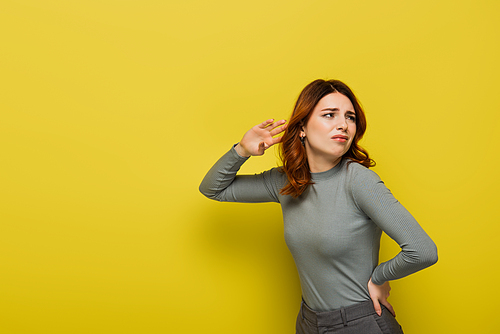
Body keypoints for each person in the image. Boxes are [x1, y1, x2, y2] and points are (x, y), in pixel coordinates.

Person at [199, 79, 438, 334]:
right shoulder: (286, 181)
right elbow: (214, 189)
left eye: (350, 117)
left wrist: (379, 278)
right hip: (308, 322)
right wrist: (242, 150)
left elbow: (423, 250)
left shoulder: (357, 179)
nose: (343, 125)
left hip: (361, 323)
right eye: (329, 115)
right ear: (301, 127)